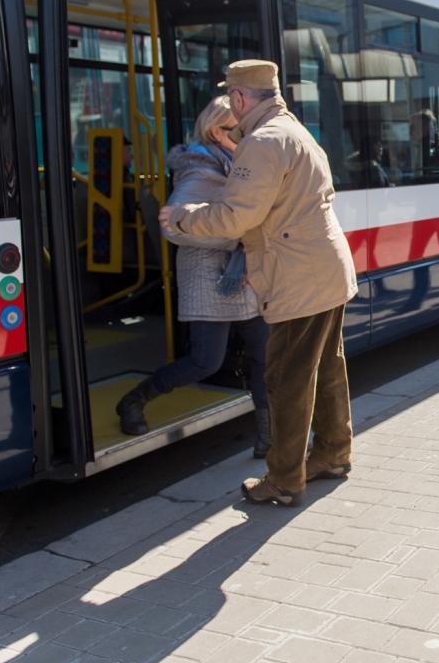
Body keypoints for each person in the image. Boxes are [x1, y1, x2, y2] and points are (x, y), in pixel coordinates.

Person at [160, 60, 357, 506]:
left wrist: (184, 218)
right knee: (327, 368)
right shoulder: (294, 130)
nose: (231, 102)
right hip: (324, 269)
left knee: (287, 378)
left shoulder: (263, 143)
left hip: (298, 279)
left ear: (242, 98)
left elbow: (237, 216)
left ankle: (285, 481)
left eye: (232, 95)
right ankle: (333, 453)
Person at [117, 96, 271, 456]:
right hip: (211, 279)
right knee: (206, 362)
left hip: (242, 276)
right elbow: (173, 227)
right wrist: (234, 237)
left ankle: (268, 440)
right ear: (217, 131)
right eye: (241, 129)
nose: (249, 136)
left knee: (263, 356)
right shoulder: (200, 171)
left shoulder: (237, 166)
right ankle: (133, 400)